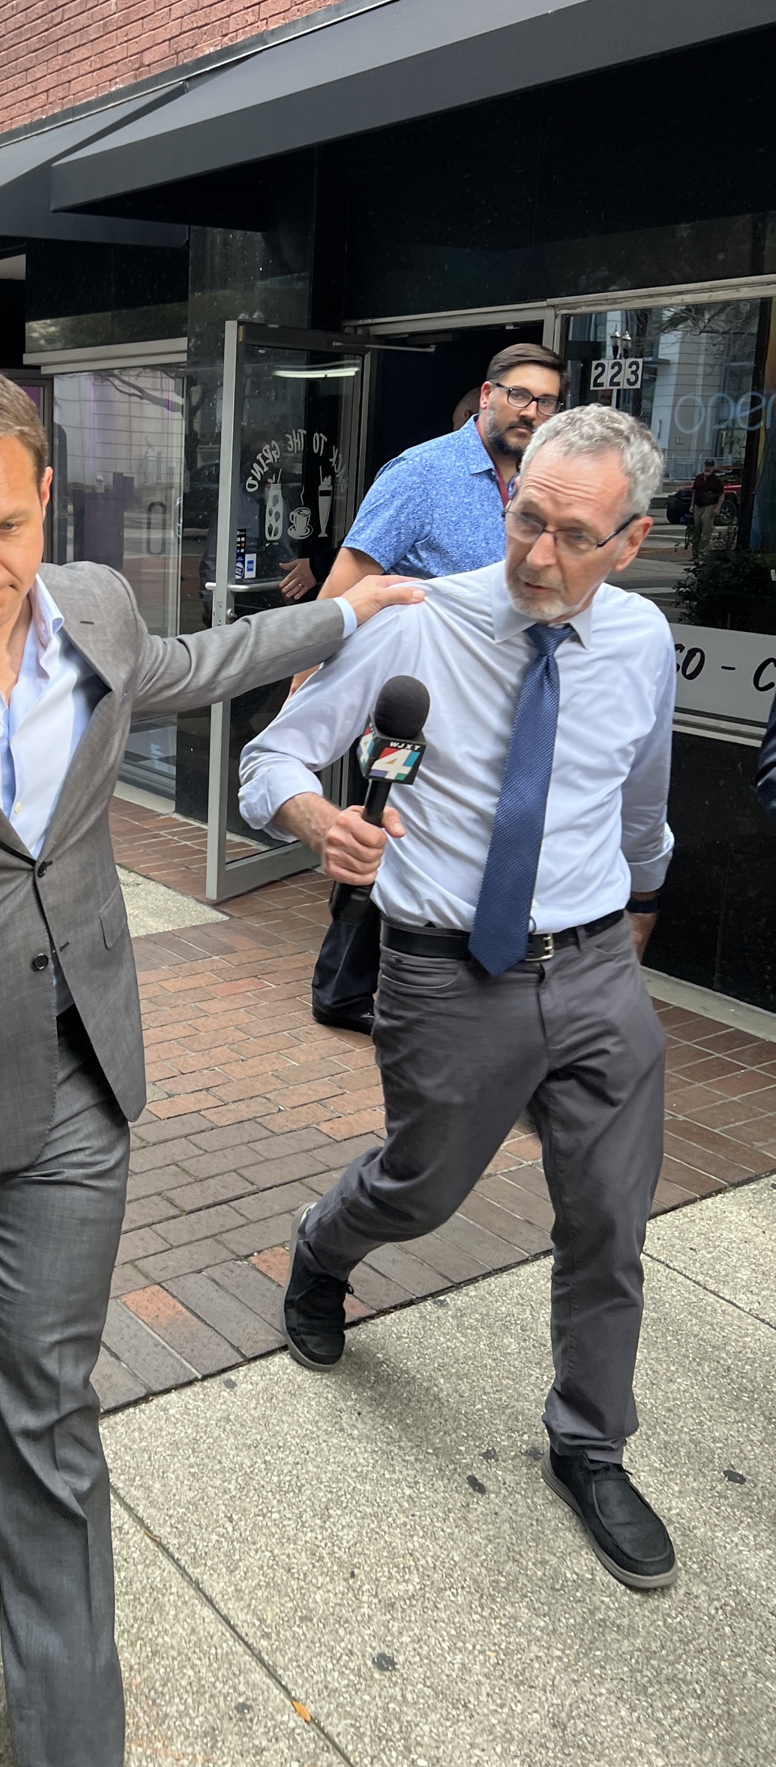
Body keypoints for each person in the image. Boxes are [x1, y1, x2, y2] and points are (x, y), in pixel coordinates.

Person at [0, 357, 423, 1767]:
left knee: (47, 1405)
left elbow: (187, 669)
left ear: (48, 495)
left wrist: (340, 615)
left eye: (7, 527)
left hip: (79, 1071)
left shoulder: (98, 601)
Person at [241, 403, 678, 1593]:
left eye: (574, 535)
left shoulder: (640, 641)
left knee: (609, 1217)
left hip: (592, 967)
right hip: (445, 970)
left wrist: (637, 910)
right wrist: (315, 818)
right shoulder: (418, 631)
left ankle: (589, 1441)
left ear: (630, 541)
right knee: (421, 1187)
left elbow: (641, 799)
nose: (538, 555)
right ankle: (324, 1251)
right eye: (525, 517)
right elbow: (266, 759)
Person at [304, 343, 567, 1033]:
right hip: (408, 716)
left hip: (497, 713)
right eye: (519, 395)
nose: (531, 412)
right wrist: (303, 706)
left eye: (546, 401)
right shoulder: (423, 474)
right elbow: (341, 592)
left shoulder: (539, 487)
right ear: (487, 393)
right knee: (387, 828)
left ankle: (401, 984)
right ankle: (340, 986)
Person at [689, 458, 724, 558]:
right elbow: (694, 492)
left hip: (709, 506)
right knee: (696, 530)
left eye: (710, 466)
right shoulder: (699, 478)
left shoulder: (716, 480)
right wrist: (692, 505)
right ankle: (694, 553)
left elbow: (721, 495)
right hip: (698, 506)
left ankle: (702, 551)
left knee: (706, 530)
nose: (707, 468)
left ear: (713, 467)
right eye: (706, 466)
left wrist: (718, 507)